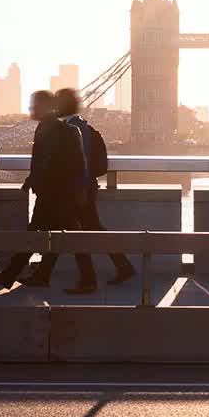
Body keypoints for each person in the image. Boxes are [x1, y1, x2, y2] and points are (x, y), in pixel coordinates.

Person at [0, 90, 84, 289]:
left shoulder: (48, 128)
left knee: (36, 234)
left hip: (52, 193)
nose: (30, 109)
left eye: (34, 104)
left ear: (44, 107)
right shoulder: (56, 127)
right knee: (57, 235)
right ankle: (41, 275)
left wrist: (29, 182)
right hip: (61, 192)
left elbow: (46, 160)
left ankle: (12, 274)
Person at [56, 87, 135, 293]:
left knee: (77, 234)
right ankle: (123, 266)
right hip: (87, 186)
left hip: (76, 189)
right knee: (92, 229)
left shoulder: (69, 130)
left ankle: (89, 280)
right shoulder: (87, 129)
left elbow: (71, 163)